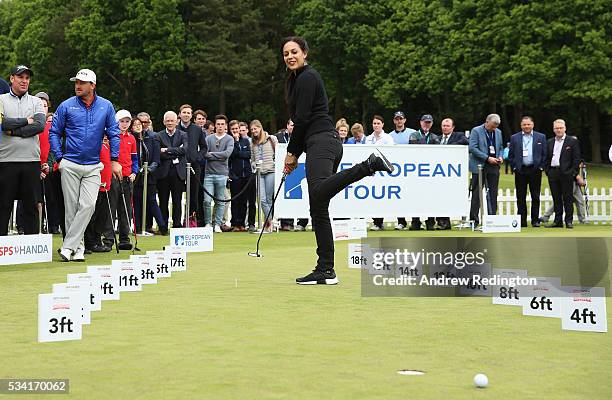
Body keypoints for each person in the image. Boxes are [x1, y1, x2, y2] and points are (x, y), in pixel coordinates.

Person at [281, 36, 394, 285]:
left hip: (322, 141)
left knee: (319, 193)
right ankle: (325, 269)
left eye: (294, 52)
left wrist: (291, 153)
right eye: (286, 53)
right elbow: (302, 121)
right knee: (318, 206)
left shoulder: (308, 77)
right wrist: (295, 155)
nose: (290, 56)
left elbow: (301, 120)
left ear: (305, 53)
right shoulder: (297, 80)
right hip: (321, 142)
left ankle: (370, 164)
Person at [49, 68, 121, 261]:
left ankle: (67, 247)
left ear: (92, 85)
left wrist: (114, 161)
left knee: (88, 205)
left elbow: (114, 133)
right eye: (76, 82)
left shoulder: (106, 106)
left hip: (93, 165)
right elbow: (54, 132)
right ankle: (78, 250)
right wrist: (59, 158)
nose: (77, 86)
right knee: (71, 208)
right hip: (70, 163)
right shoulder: (66, 106)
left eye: (82, 83)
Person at [0, 65, 46, 235]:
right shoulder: (1, 99)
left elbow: (40, 126)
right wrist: (27, 121)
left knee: (30, 206)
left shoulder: (35, 101)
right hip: (6, 160)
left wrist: (14, 131)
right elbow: (3, 124)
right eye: (21, 77)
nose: (24, 81)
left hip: (31, 161)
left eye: (27, 78)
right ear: (12, 78)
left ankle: (32, 245)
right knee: (3, 205)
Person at [508, 116, 547, 227]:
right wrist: (515, 167)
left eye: (528, 124)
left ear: (532, 125)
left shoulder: (541, 137)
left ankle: (535, 220)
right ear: (521, 126)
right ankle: (522, 221)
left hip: (535, 170)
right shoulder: (514, 138)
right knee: (521, 197)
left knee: (535, 196)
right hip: (521, 170)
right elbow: (511, 155)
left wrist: (541, 167)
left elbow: (545, 154)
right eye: (524, 124)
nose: (526, 126)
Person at [132, 117, 167, 235]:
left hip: (150, 176)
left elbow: (156, 159)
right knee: (136, 202)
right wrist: (137, 171)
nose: (138, 126)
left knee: (152, 201)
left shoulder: (151, 138)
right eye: (135, 124)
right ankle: (137, 228)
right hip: (136, 176)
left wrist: (149, 169)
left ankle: (162, 227)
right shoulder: (131, 139)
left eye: (139, 124)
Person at [468, 113, 504, 227]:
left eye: (496, 126)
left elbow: (501, 147)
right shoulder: (476, 131)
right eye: (492, 126)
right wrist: (487, 158)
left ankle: (492, 219)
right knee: (477, 193)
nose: (494, 128)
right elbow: (472, 148)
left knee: (493, 193)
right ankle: (474, 220)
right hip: (480, 166)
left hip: (494, 166)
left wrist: (501, 156)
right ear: (487, 121)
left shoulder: (498, 132)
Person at [544, 120, 580, 229]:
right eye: (556, 128)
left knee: (568, 198)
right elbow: (546, 158)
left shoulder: (572, 141)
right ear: (553, 129)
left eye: (560, 128)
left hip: (567, 173)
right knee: (556, 198)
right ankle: (557, 221)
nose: (558, 130)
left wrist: (572, 173)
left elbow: (576, 158)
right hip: (553, 172)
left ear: (565, 128)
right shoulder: (549, 142)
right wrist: (548, 171)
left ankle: (568, 221)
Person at [156, 111, 188, 229]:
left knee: (177, 200)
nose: (170, 123)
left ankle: (177, 225)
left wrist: (167, 150)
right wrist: (175, 152)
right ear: (164, 122)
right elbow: (159, 154)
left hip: (178, 172)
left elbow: (184, 150)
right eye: (167, 121)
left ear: (177, 121)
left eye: (172, 121)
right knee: (163, 201)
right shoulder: (158, 135)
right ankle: (163, 226)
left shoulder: (183, 135)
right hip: (163, 173)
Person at [203, 114, 234, 232]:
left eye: (222, 124)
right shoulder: (208, 139)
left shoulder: (229, 139)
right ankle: (208, 223)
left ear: (225, 126)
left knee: (220, 200)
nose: (220, 126)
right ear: (215, 125)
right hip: (209, 174)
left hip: (222, 174)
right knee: (207, 200)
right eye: (218, 124)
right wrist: (216, 155)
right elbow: (204, 153)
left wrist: (212, 155)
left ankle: (217, 224)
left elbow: (227, 154)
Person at [276, 119, 308, 231]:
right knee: (289, 197)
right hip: (288, 167)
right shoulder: (279, 137)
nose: (293, 127)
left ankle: (302, 222)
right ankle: (286, 222)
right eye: (291, 125)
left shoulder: (304, 135)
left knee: (305, 196)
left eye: (295, 125)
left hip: (302, 168)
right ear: (287, 125)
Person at [436, 118, 468, 230]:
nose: (445, 127)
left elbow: (466, 141)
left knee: (448, 197)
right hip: (439, 173)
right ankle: (442, 222)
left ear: (452, 127)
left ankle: (445, 222)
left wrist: (448, 147)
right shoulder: (438, 138)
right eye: (443, 125)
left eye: (447, 126)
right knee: (439, 197)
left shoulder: (458, 136)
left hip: (453, 172)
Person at [409, 114, 439, 231]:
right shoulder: (414, 135)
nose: (427, 124)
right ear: (421, 123)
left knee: (431, 196)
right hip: (416, 170)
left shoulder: (434, 136)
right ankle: (415, 221)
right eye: (425, 122)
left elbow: (437, 152)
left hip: (430, 171)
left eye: (429, 122)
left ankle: (430, 221)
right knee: (415, 196)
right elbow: (414, 150)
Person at [114, 109, 139, 249]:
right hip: (113, 177)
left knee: (125, 209)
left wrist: (134, 172)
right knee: (111, 208)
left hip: (127, 178)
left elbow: (135, 159)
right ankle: (109, 240)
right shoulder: (111, 136)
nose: (124, 124)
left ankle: (124, 239)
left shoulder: (131, 138)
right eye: (122, 121)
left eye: (127, 121)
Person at [178, 104, 207, 224]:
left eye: (188, 113)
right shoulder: (175, 128)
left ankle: (191, 220)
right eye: (184, 112)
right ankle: (177, 222)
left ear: (191, 115)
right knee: (177, 195)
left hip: (194, 166)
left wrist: (197, 157)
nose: (186, 115)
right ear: (180, 114)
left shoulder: (197, 129)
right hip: (178, 166)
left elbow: (204, 147)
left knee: (193, 195)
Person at [83, 137, 113, 253]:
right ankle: (89, 242)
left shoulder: (107, 147)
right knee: (92, 216)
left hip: (105, 186)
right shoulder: (95, 146)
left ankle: (96, 240)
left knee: (101, 217)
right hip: (96, 185)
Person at [365, 115, 394, 231]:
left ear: (382, 125)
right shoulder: (367, 139)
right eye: (374, 123)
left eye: (378, 123)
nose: (376, 125)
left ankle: (379, 222)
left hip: (383, 170)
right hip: (371, 170)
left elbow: (391, 153)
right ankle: (376, 221)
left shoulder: (388, 138)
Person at [250, 119, 278, 233]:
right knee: (261, 200)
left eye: (255, 129)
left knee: (268, 199)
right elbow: (252, 158)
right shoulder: (252, 143)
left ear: (260, 127)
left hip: (271, 171)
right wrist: (253, 165)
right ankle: (270, 222)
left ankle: (269, 225)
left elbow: (278, 153)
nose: (253, 131)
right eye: (251, 130)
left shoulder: (272, 139)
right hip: (259, 173)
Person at [228, 120, 252, 232]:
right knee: (235, 200)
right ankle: (235, 223)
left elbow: (248, 154)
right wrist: (236, 142)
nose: (235, 131)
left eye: (237, 129)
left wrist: (239, 153)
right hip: (235, 175)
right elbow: (233, 155)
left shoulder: (246, 141)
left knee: (243, 201)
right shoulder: (229, 141)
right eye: (233, 129)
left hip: (246, 175)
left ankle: (242, 223)